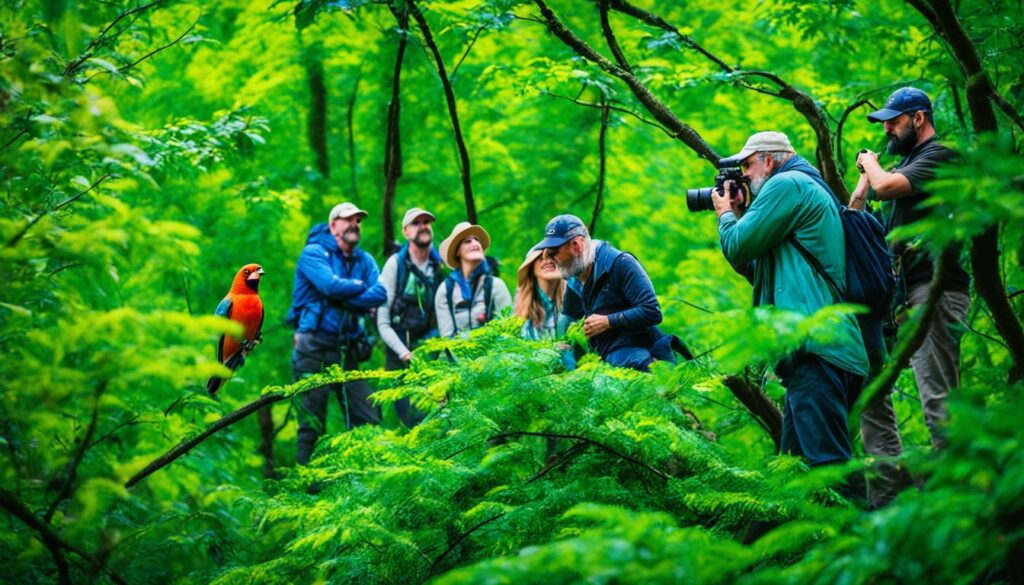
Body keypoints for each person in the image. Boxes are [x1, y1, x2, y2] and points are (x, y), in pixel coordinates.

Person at [713, 131, 869, 467]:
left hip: (816, 349)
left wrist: (725, 214)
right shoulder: (805, 186)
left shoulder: (788, 185)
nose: (743, 175)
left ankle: (863, 521)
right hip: (823, 352)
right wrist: (741, 214)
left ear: (769, 160)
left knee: (829, 469)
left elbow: (736, 244)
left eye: (747, 165)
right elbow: (753, 267)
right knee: (795, 475)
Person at [850, 87, 971, 454]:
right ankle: (891, 492)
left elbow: (884, 186)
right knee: (871, 389)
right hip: (900, 298)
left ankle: (957, 490)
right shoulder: (908, 164)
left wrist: (870, 163)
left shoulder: (941, 156)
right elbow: (856, 215)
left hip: (932, 290)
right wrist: (863, 180)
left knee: (938, 397)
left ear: (919, 118)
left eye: (893, 122)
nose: (887, 129)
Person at [287, 202, 387, 465]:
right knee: (311, 427)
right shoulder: (313, 254)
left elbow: (381, 293)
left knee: (369, 420)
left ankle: (368, 489)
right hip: (314, 348)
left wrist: (348, 293)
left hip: (348, 352)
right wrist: (359, 290)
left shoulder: (364, 260)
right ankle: (306, 496)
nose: (354, 224)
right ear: (333, 225)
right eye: (347, 219)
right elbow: (329, 286)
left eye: (358, 220)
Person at [533, 215, 682, 372]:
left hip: (642, 365)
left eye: (553, 253)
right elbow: (572, 324)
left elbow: (652, 311)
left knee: (622, 357)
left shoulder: (621, 263)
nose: (548, 259)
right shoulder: (573, 278)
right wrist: (560, 346)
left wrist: (608, 321)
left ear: (576, 246)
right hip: (604, 369)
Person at [376, 207, 444, 427]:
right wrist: (404, 353)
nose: (423, 226)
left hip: (430, 352)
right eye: (416, 223)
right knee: (409, 419)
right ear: (406, 232)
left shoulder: (440, 264)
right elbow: (382, 322)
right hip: (399, 352)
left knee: (438, 416)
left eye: (426, 222)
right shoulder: (395, 265)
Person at [435, 222, 512, 337]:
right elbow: (447, 337)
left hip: (495, 354)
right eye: (468, 241)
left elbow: (509, 331)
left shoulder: (496, 285)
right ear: (457, 252)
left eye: (477, 240)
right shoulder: (446, 291)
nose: (475, 243)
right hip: (458, 354)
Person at [514, 248, 576, 369]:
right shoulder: (520, 305)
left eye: (552, 256)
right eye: (541, 259)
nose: (548, 261)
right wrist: (551, 348)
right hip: (533, 376)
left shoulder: (575, 298)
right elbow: (516, 349)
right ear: (531, 268)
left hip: (573, 375)